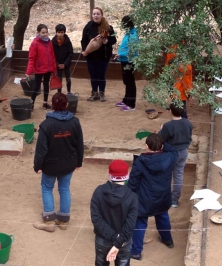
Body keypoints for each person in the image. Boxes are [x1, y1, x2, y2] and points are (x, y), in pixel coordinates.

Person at [33, 92, 84, 232]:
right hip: (69, 163)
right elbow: (79, 144)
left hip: (50, 165)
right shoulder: (75, 122)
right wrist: (79, 162)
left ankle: (49, 220)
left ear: (52, 105)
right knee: (64, 189)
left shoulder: (46, 124)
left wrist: (37, 165)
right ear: (67, 105)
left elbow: (41, 149)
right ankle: (63, 220)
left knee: (47, 187)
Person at [127, 133, 178, 261]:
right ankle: (167, 240)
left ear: (146, 146)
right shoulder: (170, 157)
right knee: (163, 217)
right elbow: (173, 150)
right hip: (163, 196)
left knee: (140, 222)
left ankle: (136, 251)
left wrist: (127, 195)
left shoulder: (140, 162)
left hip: (144, 198)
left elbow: (133, 182)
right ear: (162, 146)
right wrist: (162, 142)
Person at [90, 160, 138, 266]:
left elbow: (96, 219)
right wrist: (118, 242)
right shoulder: (133, 197)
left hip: (103, 239)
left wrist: (114, 238)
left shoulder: (98, 191)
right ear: (127, 175)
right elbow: (130, 225)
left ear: (109, 174)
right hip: (123, 241)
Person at [158, 103, 192, 208]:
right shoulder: (188, 122)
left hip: (170, 154)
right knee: (178, 176)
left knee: (165, 176)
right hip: (183, 152)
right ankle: (174, 200)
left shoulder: (168, 125)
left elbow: (160, 140)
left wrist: (161, 129)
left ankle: (163, 198)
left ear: (171, 111)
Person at [81, 7, 117, 102]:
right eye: (94, 14)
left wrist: (107, 41)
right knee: (93, 75)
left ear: (101, 15)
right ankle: (94, 93)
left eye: (98, 14)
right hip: (91, 56)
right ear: (92, 15)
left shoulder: (108, 27)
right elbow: (83, 40)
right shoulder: (88, 26)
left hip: (103, 56)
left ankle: (102, 93)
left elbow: (114, 40)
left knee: (101, 75)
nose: (96, 16)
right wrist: (85, 50)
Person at [26, 24, 57, 110]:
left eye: (46, 32)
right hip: (39, 69)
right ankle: (31, 104)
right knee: (36, 86)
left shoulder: (49, 42)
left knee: (46, 85)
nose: (45, 34)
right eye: (43, 32)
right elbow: (31, 58)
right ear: (38, 32)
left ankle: (45, 103)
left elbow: (52, 55)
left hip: (48, 68)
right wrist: (28, 71)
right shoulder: (35, 43)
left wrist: (54, 68)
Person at [114, 15, 139, 111]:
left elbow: (132, 50)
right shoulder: (128, 33)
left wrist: (121, 54)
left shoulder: (133, 35)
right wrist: (120, 54)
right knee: (126, 81)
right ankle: (126, 100)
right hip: (124, 60)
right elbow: (125, 47)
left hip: (129, 61)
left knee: (130, 82)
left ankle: (131, 104)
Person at [164, 44, 192, 119]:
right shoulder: (185, 64)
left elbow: (186, 82)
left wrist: (188, 93)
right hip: (178, 89)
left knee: (181, 110)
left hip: (179, 90)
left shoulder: (184, 66)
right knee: (180, 108)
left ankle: (184, 124)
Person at [51, 24, 74, 94]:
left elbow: (70, 53)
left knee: (68, 78)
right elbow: (52, 54)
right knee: (59, 79)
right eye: (58, 32)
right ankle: (59, 93)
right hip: (57, 64)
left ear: (64, 33)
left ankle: (69, 91)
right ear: (56, 33)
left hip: (66, 64)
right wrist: (57, 64)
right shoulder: (52, 42)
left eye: (62, 32)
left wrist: (65, 64)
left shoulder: (68, 42)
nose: (60, 34)